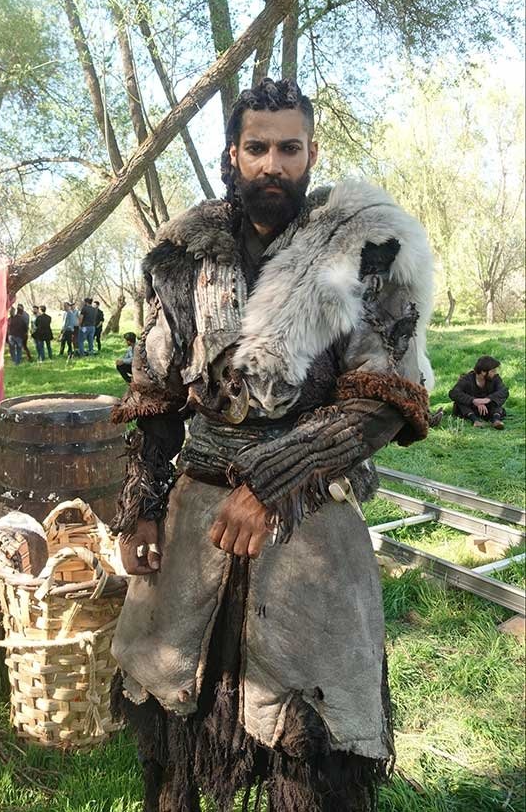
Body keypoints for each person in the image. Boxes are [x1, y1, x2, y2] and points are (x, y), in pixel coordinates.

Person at [109, 78, 434, 812]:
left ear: (312, 153)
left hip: (310, 514)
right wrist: (142, 508)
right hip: (196, 512)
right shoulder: (184, 253)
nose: (273, 164)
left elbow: (382, 402)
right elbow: (157, 395)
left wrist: (272, 483)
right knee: (175, 722)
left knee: (308, 742)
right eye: (257, 148)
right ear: (232, 154)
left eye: (290, 148)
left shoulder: (367, 246)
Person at [449, 356, 508, 429]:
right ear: (483, 372)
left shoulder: (495, 378)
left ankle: (496, 420)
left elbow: (504, 391)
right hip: (471, 408)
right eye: (493, 371)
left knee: (496, 400)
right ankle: (475, 421)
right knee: (460, 401)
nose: (495, 373)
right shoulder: (467, 379)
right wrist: (473, 400)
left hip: (487, 408)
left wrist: (487, 399)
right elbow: (454, 393)